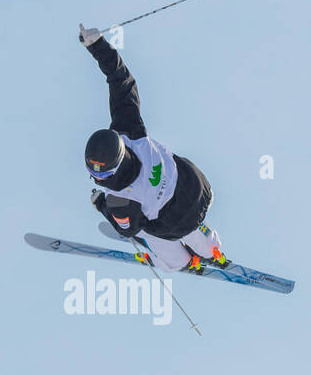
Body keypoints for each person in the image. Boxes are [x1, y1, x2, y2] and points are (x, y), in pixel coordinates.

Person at [78, 24, 229, 273]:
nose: (97, 178)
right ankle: (211, 249)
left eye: (101, 175)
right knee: (180, 215)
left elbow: (126, 228)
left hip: (174, 222)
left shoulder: (121, 201)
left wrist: (101, 205)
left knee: (160, 245)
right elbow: (121, 81)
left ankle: (184, 260)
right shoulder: (129, 132)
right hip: (199, 188)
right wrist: (97, 45)